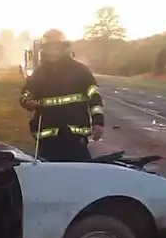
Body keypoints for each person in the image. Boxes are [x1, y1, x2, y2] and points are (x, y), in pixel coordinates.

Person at [20, 29, 105, 162]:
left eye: (56, 48)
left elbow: (94, 97)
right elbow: (26, 92)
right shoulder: (39, 74)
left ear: (64, 48)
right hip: (47, 141)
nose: (52, 51)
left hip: (75, 138)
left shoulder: (80, 71)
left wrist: (98, 122)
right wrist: (26, 100)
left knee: (81, 175)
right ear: (44, 50)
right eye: (49, 48)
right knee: (50, 178)